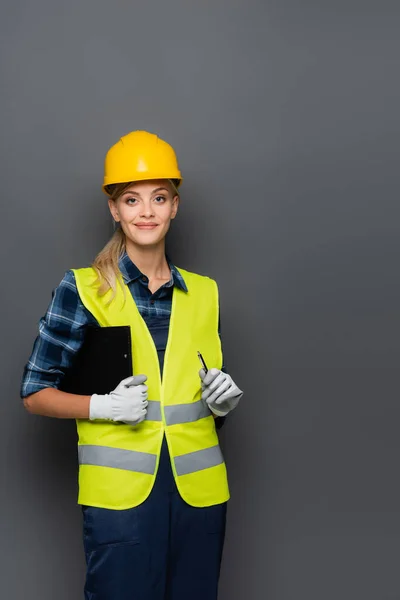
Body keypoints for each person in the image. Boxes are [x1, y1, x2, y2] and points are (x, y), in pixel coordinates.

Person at [21, 130, 243, 600]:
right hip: (121, 500)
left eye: (159, 198)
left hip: (200, 497)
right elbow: (35, 393)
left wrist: (221, 406)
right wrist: (102, 407)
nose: (146, 212)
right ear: (114, 210)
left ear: (175, 206)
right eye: (132, 199)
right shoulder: (83, 289)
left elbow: (191, 405)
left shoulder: (206, 293)